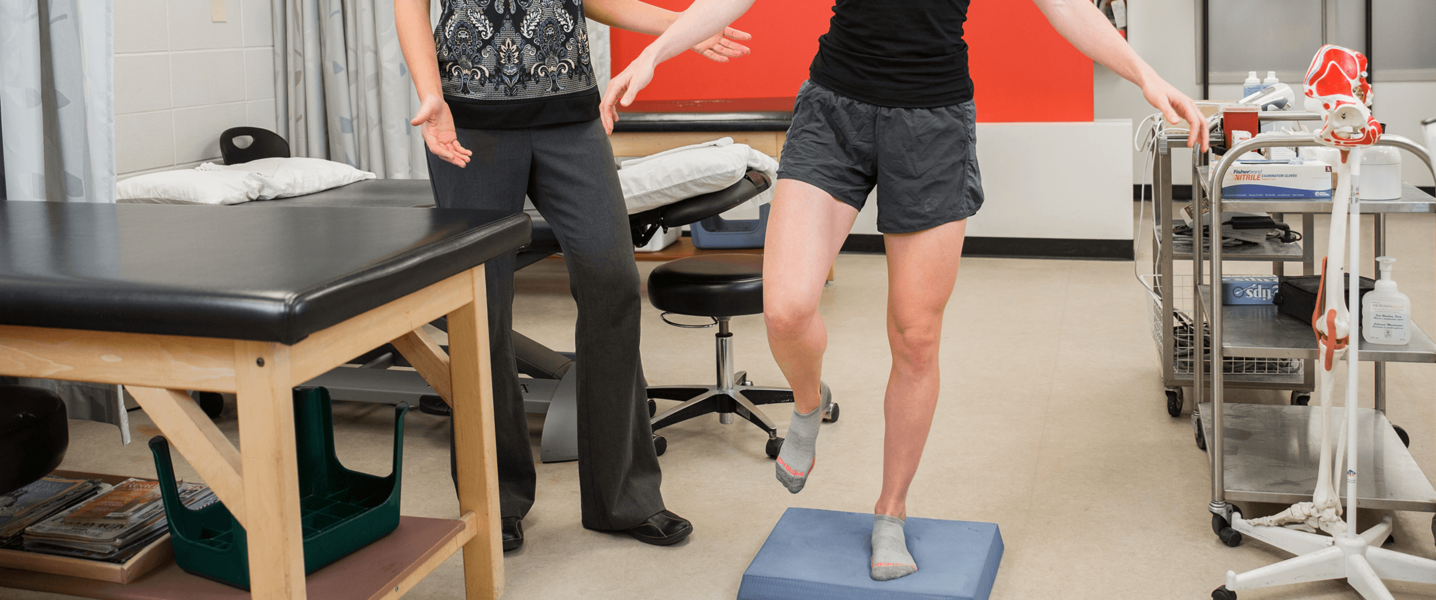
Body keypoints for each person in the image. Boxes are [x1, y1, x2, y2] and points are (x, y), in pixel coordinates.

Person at [601, 0, 1208, 580]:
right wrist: (657, 52)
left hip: (933, 123)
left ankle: (891, 510)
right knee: (786, 307)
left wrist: (1145, 76)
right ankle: (807, 406)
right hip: (834, 109)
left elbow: (1067, 8)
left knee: (915, 337)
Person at [393, 0, 752, 550]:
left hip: (571, 119)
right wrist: (430, 93)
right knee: (479, 308)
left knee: (611, 281)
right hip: (471, 120)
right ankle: (495, 497)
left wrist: (681, 30)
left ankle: (624, 498)